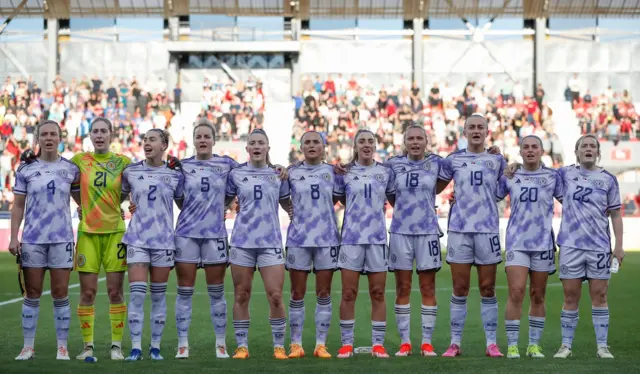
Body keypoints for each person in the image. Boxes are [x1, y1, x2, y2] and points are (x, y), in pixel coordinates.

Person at [508, 134, 623, 359]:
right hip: (570, 245)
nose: (588, 149)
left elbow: (616, 214)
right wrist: (515, 165)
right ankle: (566, 346)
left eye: (592, 146)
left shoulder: (609, 179)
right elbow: (535, 171)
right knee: (570, 296)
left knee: (600, 295)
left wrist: (619, 246)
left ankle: (602, 346)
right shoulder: (563, 174)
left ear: (598, 152)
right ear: (576, 152)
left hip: (599, 245)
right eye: (584, 146)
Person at [436, 114, 507, 357]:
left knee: (488, 287)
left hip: (487, 229)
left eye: (480, 127)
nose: (476, 130)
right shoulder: (453, 160)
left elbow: (510, 186)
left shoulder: (497, 160)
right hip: (459, 230)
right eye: (471, 127)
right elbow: (432, 186)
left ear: (487, 132)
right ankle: (455, 343)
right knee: (460, 287)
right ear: (464, 132)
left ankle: (491, 344)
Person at [10, 120, 81, 360]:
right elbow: (18, 206)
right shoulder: (25, 169)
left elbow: (83, 201)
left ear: (60, 138)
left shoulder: (71, 169)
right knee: (32, 293)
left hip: (62, 239)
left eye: (53, 134)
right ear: (38, 139)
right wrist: (13, 237)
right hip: (32, 240)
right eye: (44, 134)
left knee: (60, 293)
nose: (49, 138)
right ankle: (28, 347)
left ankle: (63, 347)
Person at [171, 120, 238, 359]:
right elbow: (179, 198)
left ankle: (221, 344)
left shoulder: (227, 164)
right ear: (193, 140)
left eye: (206, 136)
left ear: (213, 140)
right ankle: (182, 344)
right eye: (198, 136)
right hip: (187, 234)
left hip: (215, 235)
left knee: (217, 292)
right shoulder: (182, 166)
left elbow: (250, 173)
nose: (202, 140)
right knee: (184, 291)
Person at [226, 129, 293, 360]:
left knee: (275, 295)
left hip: (271, 242)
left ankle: (278, 346)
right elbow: (224, 201)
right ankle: (242, 347)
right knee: (241, 295)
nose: (256, 146)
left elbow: (288, 204)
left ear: (267, 148)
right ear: (247, 148)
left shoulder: (277, 174)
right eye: (252, 143)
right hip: (242, 243)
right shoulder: (236, 174)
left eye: (261, 143)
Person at [495, 135, 563, 359]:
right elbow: (490, 194)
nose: (530, 150)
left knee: (538, 294)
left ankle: (534, 345)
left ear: (542, 150)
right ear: (521, 152)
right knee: (516, 292)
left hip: (543, 242)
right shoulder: (511, 176)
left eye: (535, 146)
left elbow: (570, 201)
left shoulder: (553, 177)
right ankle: (513, 345)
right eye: (526, 147)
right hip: (517, 241)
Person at [121, 129, 185, 361]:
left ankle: (155, 347)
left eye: (152, 140)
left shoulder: (175, 175)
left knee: (158, 297)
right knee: (137, 296)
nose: (146, 143)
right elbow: (114, 197)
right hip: (137, 239)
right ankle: (136, 347)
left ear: (164, 145)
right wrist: (124, 206)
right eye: (145, 139)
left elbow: (185, 204)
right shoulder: (131, 171)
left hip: (164, 241)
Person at [72, 117, 131, 361]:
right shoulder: (78, 160)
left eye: (103, 131)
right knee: (87, 293)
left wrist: (128, 204)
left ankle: (116, 346)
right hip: (88, 233)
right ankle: (88, 346)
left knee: (115, 291)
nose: (98, 135)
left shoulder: (123, 162)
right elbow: (68, 183)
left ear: (111, 135)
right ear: (90, 136)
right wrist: (80, 205)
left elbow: (137, 185)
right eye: (95, 131)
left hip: (116, 233)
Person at [334, 129, 395, 359]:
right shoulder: (345, 173)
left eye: (371, 141)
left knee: (378, 293)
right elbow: (337, 198)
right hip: (351, 239)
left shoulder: (385, 172)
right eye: (362, 141)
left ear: (376, 145)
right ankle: (346, 344)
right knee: (349, 293)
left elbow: (394, 199)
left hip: (377, 239)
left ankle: (378, 344)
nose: (367, 145)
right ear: (356, 146)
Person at [387, 125, 444, 357]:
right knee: (403, 287)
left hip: (428, 231)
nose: (415, 142)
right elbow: (390, 194)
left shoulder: (438, 163)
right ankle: (405, 342)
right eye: (411, 138)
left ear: (426, 141)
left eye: (420, 138)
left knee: (427, 287)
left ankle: (427, 343)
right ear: (404, 142)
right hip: (400, 231)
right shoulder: (393, 164)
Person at [285, 131, 340, 359]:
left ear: (323, 146)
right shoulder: (291, 173)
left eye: (315, 141)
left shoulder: (334, 172)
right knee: (297, 292)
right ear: (301, 147)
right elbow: (280, 197)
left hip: (326, 239)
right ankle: (296, 344)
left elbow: (339, 197)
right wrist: (290, 209)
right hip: (298, 239)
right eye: (306, 142)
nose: (311, 145)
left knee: (323, 292)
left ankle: (320, 344)